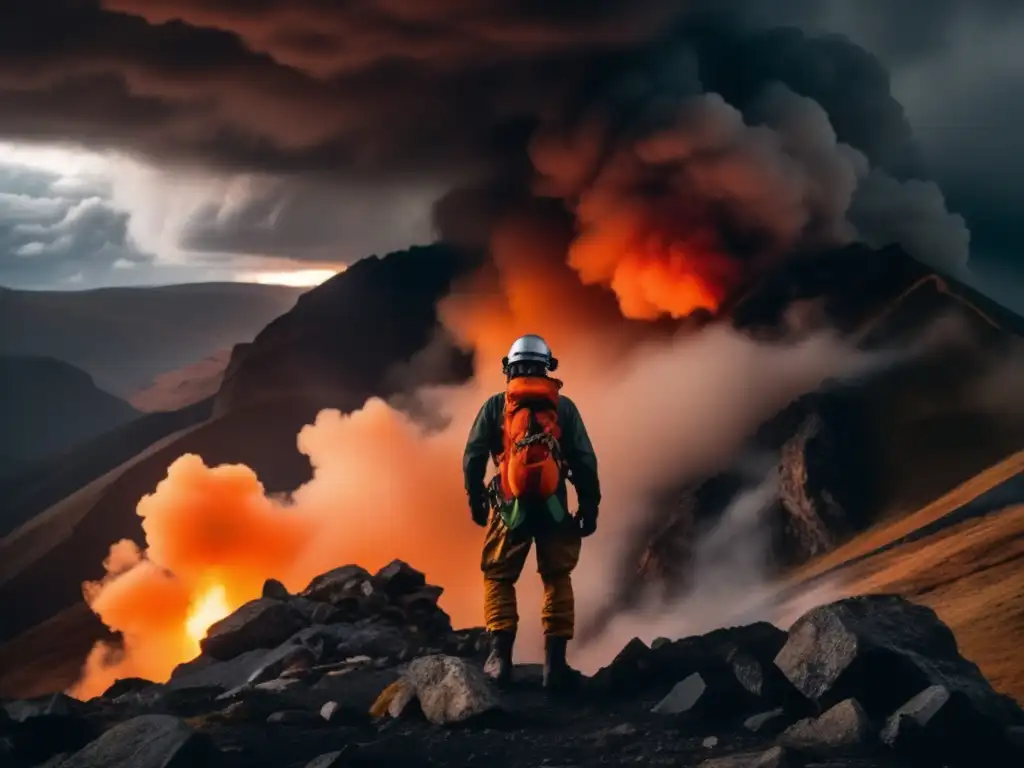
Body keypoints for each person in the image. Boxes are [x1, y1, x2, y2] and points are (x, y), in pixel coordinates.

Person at [463, 334, 601, 693]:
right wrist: (589, 507)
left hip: (509, 508)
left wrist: (476, 500)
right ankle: (555, 667)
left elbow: (474, 456)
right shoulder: (564, 408)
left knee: (498, 576)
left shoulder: (496, 406)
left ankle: (499, 660)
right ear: (547, 366)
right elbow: (585, 461)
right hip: (554, 509)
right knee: (557, 578)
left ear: (509, 368)